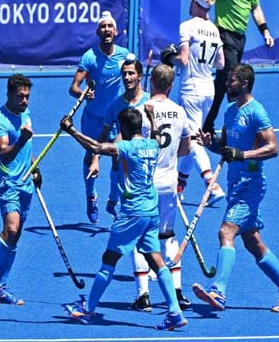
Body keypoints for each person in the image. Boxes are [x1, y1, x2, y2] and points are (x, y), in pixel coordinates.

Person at [60, 107, 188, 330]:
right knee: (155, 261)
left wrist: (71, 130)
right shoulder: (152, 145)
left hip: (131, 213)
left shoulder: (126, 147)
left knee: (109, 259)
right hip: (151, 211)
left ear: (125, 128)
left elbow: (96, 147)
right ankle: (174, 312)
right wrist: (152, 117)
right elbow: (157, 137)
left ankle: (87, 310)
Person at [193, 64, 279, 313]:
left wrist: (242, 154)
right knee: (253, 243)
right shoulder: (230, 112)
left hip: (250, 184)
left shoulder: (256, 112)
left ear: (244, 83)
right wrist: (211, 144)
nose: (226, 84)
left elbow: (273, 148)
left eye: (231, 81)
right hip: (235, 184)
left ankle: (218, 291)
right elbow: (227, 149)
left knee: (226, 232)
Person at [0, 74, 42, 308]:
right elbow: (4, 153)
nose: (24, 101)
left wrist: (35, 166)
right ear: (9, 94)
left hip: (26, 183)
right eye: (20, 96)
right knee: (10, 229)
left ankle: (1, 286)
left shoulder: (26, 113)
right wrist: (21, 141)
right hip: (8, 182)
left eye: (27, 97)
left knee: (16, 236)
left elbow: (27, 147)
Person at [130, 65, 192, 312]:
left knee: (139, 238)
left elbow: (130, 149)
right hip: (169, 184)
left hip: (145, 185)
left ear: (151, 82)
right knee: (168, 236)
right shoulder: (180, 112)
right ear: (171, 85)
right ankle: (177, 291)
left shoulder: (139, 111)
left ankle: (143, 295)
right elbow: (186, 149)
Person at [201, 0, 274, 136]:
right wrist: (205, 19)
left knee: (222, 82)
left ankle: (207, 123)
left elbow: (255, 8)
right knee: (235, 79)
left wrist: (265, 31)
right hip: (224, 35)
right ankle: (235, 125)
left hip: (240, 37)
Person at [69, 10, 132, 224]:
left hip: (116, 118)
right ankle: (91, 196)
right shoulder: (89, 57)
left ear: (116, 31)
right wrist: (83, 93)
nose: (106, 30)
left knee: (118, 157)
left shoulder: (125, 55)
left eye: (109, 27)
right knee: (91, 156)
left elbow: (134, 78)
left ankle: (113, 202)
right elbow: (74, 88)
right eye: (102, 26)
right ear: (98, 31)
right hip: (93, 118)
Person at [171, 0, 226, 205]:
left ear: (195, 2)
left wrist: (169, 57)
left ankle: (211, 184)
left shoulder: (187, 26)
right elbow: (220, 63)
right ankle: (179, 185)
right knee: (190, 136)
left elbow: (183, 60)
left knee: (193, 140)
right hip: (208, 89)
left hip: (190, 88)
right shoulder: (213, 29)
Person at [88, 58, 149, 219]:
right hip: (125, 162)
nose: (127, 78)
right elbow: (102, 136)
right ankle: (116, 203)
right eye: (124, 74)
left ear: (140, 76)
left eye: (131, 73)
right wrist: (95, 160)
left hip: (145, 160)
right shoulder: (114, 106)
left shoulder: (150, 102)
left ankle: (113, 202)